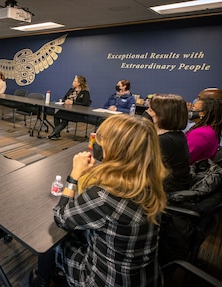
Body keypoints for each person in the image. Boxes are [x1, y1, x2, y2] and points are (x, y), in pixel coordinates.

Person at [35, 114, 167, 286]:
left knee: (52, 239)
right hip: (145, 278)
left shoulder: (104, 196)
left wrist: (74, 176)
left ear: (115, 148)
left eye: (101, 138)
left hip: (103, 281)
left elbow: (61, 218)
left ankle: (41, 280)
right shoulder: (150, 182)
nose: (97, 141)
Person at [145, 94, 190, 192]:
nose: (147, 113)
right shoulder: (176, 135)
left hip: (162, 193)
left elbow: (144, 172)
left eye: (150, 110)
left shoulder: (165, 141)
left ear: (161, 116)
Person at [48, 75, 91, 140]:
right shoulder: (71, 90)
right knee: (56, 115)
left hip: (76, 112)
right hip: (66, 109)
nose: (73, 82)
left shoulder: (85, 93)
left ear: (79, 83)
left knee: (65, 118)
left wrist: (73, 103)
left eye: (75, 81)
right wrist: (65, 101)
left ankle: (54, 133)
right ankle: (57, 133)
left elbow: (85, 104)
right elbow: (64, 98)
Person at [186, 98, 222, 164]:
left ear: (203, 113)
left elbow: (184, 158)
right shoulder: (209, 129)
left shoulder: (200, 133)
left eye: (193, 107)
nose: (189, 109)